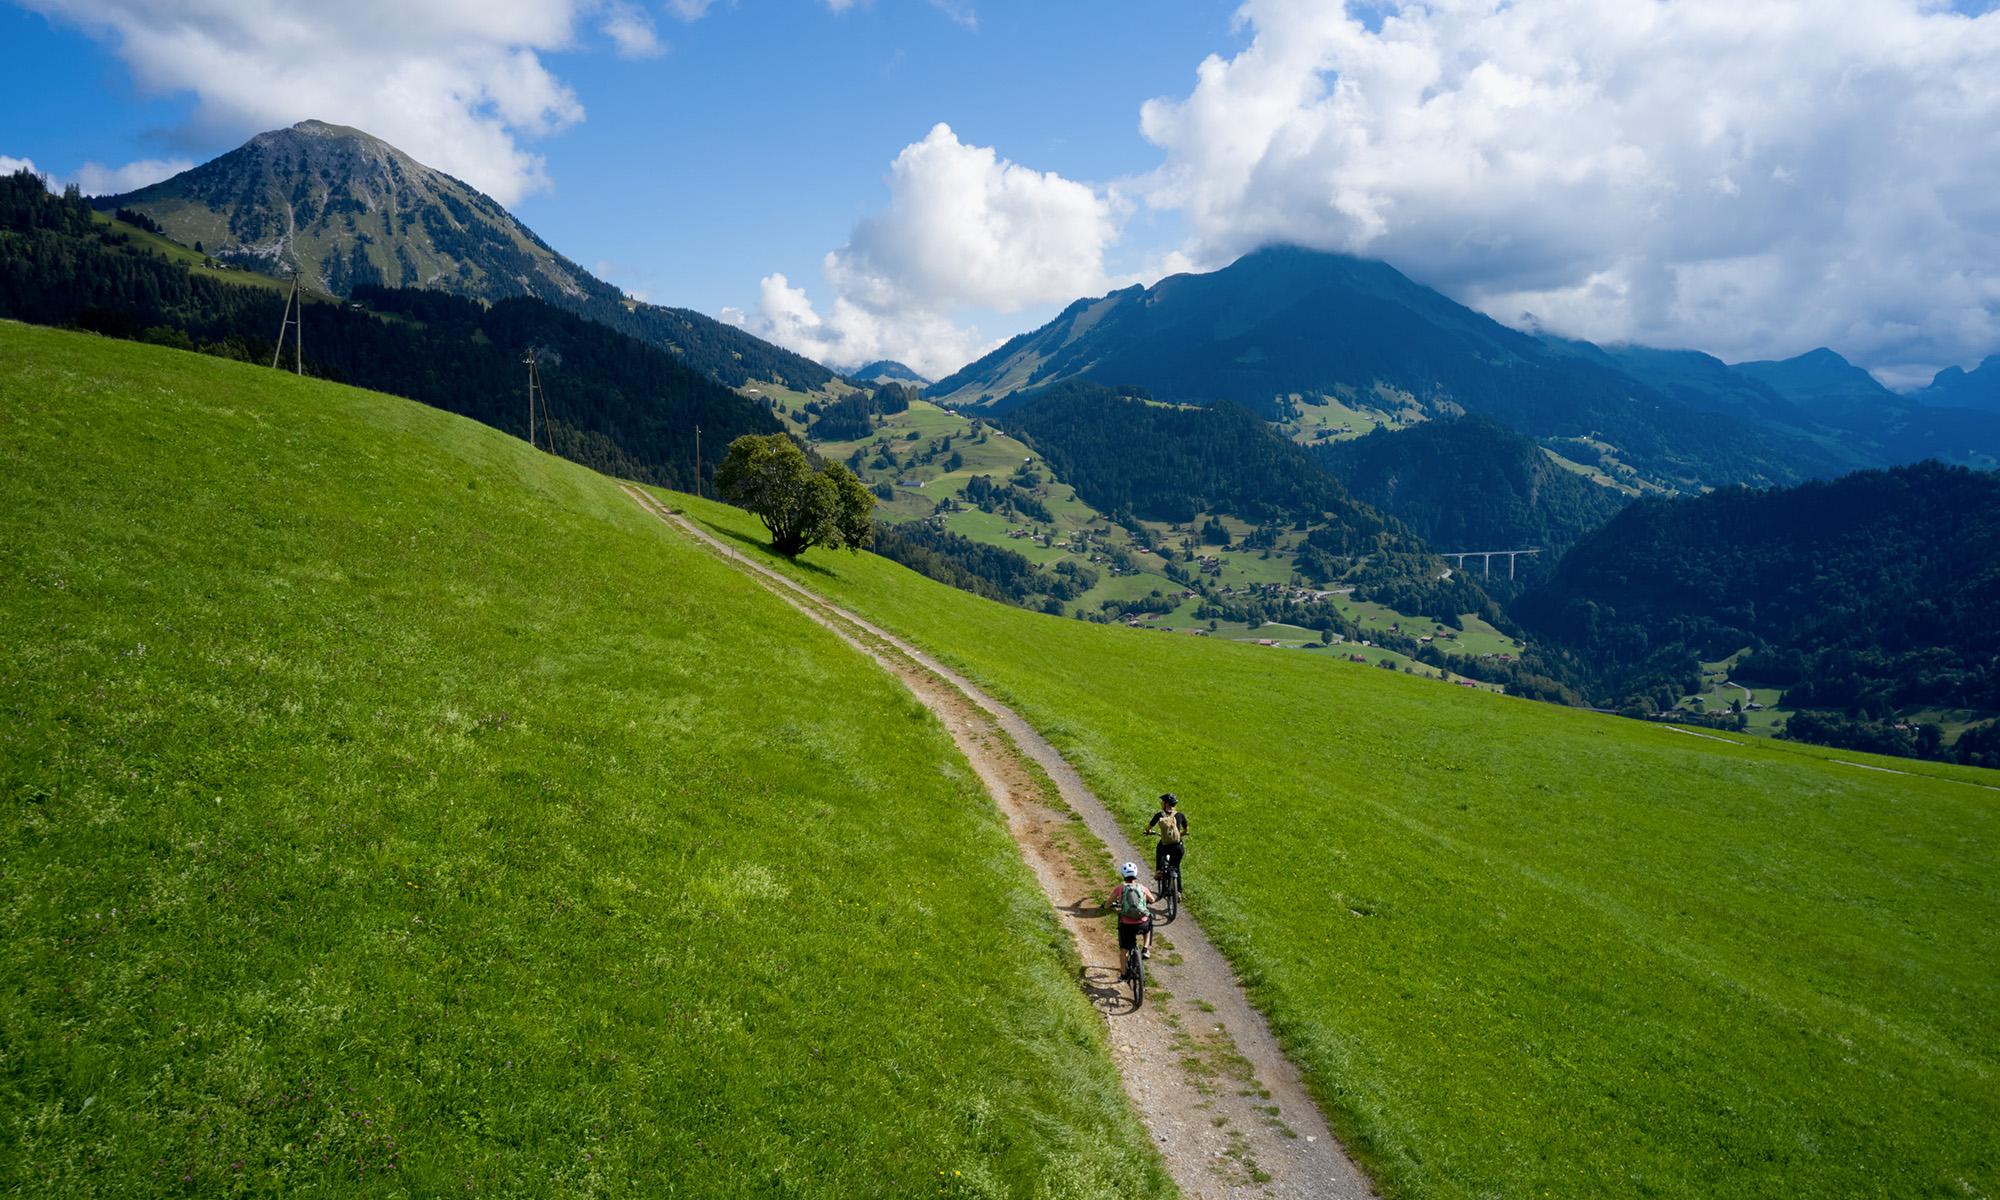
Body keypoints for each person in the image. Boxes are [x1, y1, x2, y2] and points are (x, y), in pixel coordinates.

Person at [1111, 862, 1157, 961]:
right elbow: (1152, 900)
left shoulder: (1120, 888)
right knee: (1148, 924)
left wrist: (1105, 906)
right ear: (1136, 874)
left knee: (1124, 950)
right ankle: (1145, 948)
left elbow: (1108, 903)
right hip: (1142, 924)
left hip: (1126, 925)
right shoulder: (1142, 888)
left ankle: (1123, 975)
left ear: (1123, 875)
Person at [1146, 792, 1188, 893]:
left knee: (1159, 851)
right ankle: (1178, 892)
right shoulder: (1180, 815)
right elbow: (1186, 830)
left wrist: (1148, 832)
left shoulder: (1159, 815)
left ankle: (1159, 872)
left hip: (1165, 845)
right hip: (1178, 846)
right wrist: (1179, 835)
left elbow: (1149, 828)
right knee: (1176, 867)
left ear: (1165, 804)